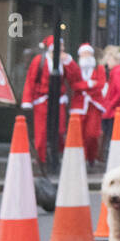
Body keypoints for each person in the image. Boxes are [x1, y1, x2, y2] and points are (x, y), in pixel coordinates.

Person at [20, 37, 80, 165]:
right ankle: (41, 158)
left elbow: (75, 77)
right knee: (41, 132)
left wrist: (70, 62)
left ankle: (56, 156)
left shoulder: (64, 61)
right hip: (42, 100)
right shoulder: (39, 60)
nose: (63, 49)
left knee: (60, 130)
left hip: (59, 100)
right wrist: (27, 100)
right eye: (60, 46)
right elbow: (30, 81)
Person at [72, 43, 106, 164]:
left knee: (92, 134)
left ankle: (92, 157)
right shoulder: (76, 69)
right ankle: (83, 158)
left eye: (88, 53)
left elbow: (100, 84)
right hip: (79, 106)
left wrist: (87, 87)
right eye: (83, 54)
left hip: (94, 105)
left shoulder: (99, 68)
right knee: (79, 134)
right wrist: (89, 85)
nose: (86, 56)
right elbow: (74, 85)